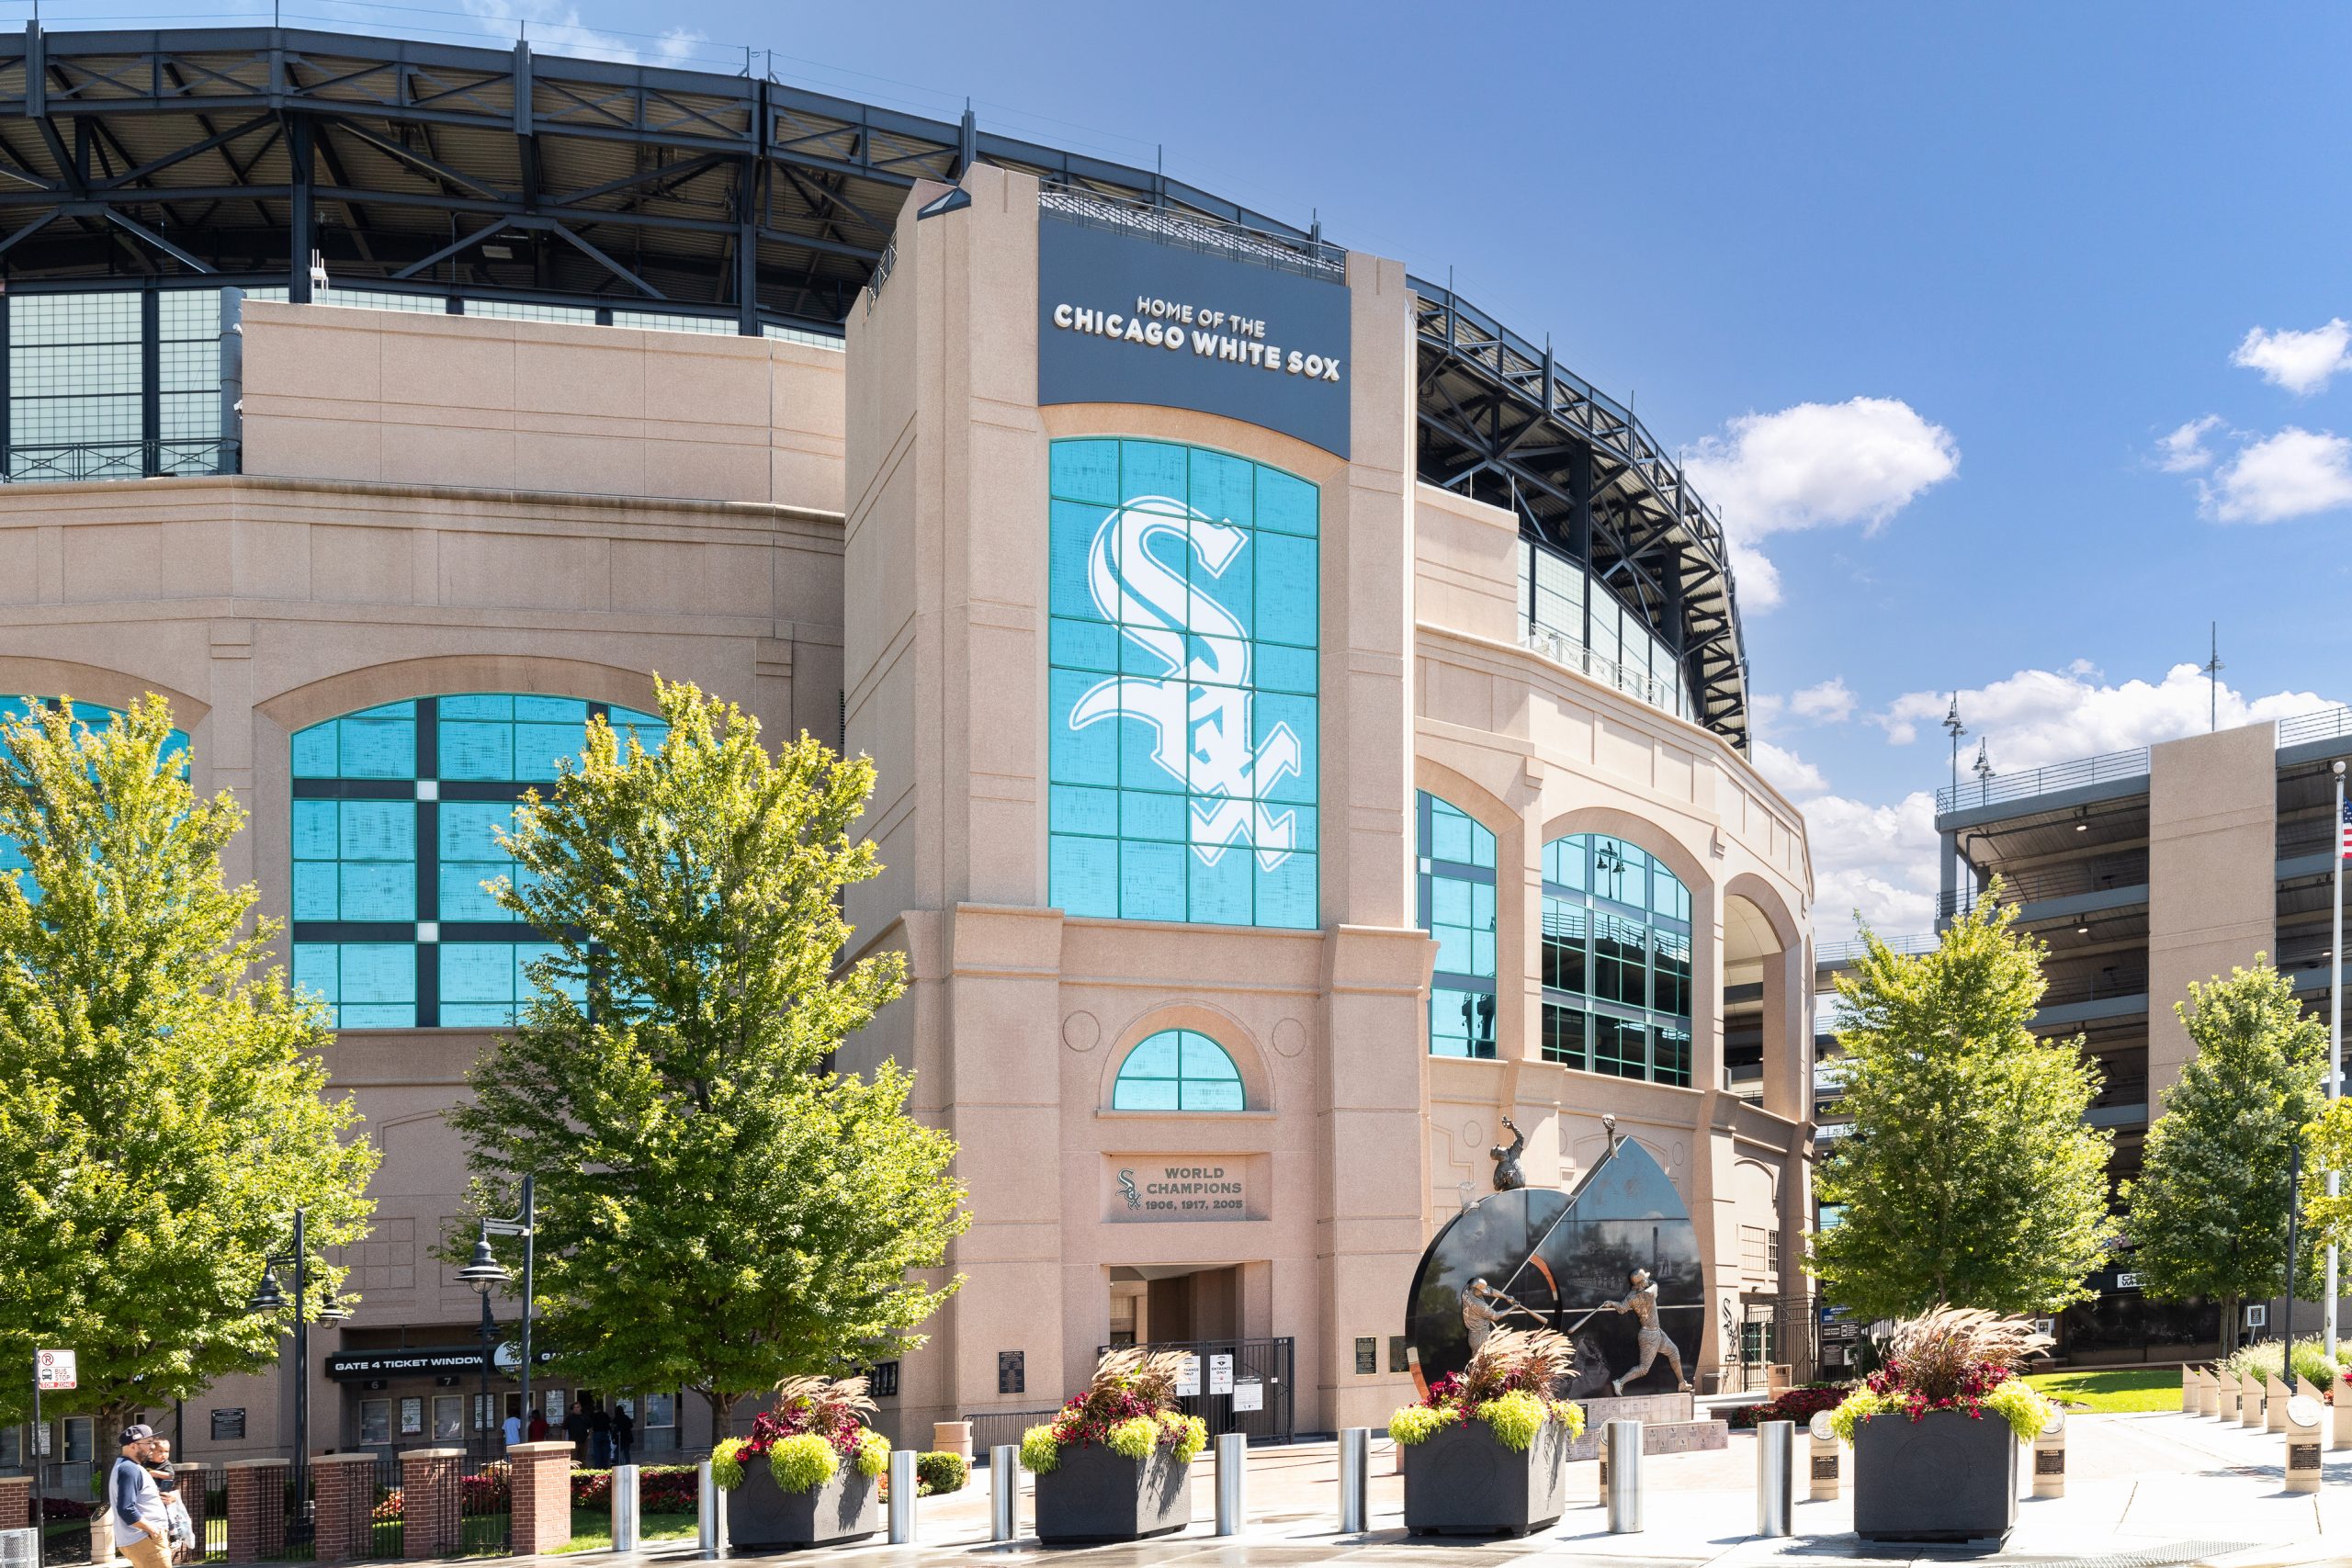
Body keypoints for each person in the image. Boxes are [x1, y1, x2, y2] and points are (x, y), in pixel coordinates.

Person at [1600, 1267, 1690, 1394]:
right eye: (1645, 1278)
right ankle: (1619, 1382)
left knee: (1674, 1352)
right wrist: (1649, 1283)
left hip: (1655, 1332)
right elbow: (1652, 1288)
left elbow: (1621, 1308)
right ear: (1641, 1282)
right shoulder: (1650, 1292)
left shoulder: (1631, 1296)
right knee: (1643, 1369)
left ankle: (1681, 1383)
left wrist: (1612, 1303)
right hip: (1650, 1336)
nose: (1648, 1279)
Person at [109, 1424, 173, 1568]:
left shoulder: (128, 1467)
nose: (152, 1447)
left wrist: (163, 1498)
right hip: (145, 1539)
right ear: (133, 1446)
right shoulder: (129, 1469)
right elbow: (126, 1509)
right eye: (149, 1442)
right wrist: (153, 1530)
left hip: (143, 1539)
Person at [146, 1438, 197, 1565]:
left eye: (166, 1451)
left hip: (163, 1493)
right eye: (160, 1451)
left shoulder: (166, 1464)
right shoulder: (145, 1464)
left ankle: (174, 1534)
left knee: (168, 1514)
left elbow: (170, 1475)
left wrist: (155, 1473)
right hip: (151, 1497)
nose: (164, 1455)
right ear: (152, 1451)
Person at [563, 1397, 590, 1461]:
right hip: (573, 1441)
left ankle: (582, 1471)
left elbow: (590, 1427)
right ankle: (574, 1471)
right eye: (574, 1407)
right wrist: (563, 1440)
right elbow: (564, 1429)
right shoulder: (569, 1418)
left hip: (583, 1441)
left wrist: (589, 1435)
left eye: (577, 1407)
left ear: (581, 1408)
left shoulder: (585, 1417)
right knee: (573, 1459)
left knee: (582, 1458)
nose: (576, 1409)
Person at [588, 1398, 612, 1467]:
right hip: (605, 1434)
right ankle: (605, 1466)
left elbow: (591, 1426)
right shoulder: (605, 1415)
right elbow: (609, 1424)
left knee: (597, 1451)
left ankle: (598, 1466)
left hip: (596, 1434)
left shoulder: (593, 1416)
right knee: (605, 1451)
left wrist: (589, 1434)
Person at [611, 1402, 635, 1467]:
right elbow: (631, 1425)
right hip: (627, 1438)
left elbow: (614, 1429)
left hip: (620, 1438)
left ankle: (619, 1464)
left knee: (617, 1452)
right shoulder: (626, 1417)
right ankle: (628, 1464)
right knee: (626, 1452)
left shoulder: (616, 1419)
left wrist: (613, 1438)